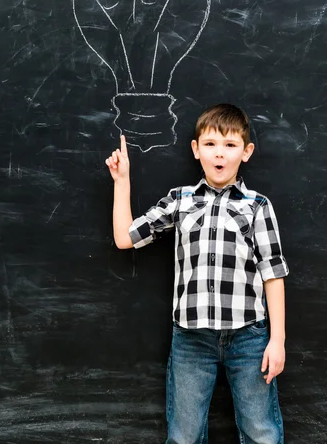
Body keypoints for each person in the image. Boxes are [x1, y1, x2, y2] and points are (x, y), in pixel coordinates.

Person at [105, 103, 289, 444]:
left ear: (246, 152)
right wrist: (122, 181)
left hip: (248, 338)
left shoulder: (257, 206)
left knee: (261, 432)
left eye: (230, 145)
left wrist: (276, 340)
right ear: (196, 149)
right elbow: (124, 238)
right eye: (210, 144)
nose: (220, 154)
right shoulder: (180, 200)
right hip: (191, 339)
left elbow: (273, 273)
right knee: (184, 436)